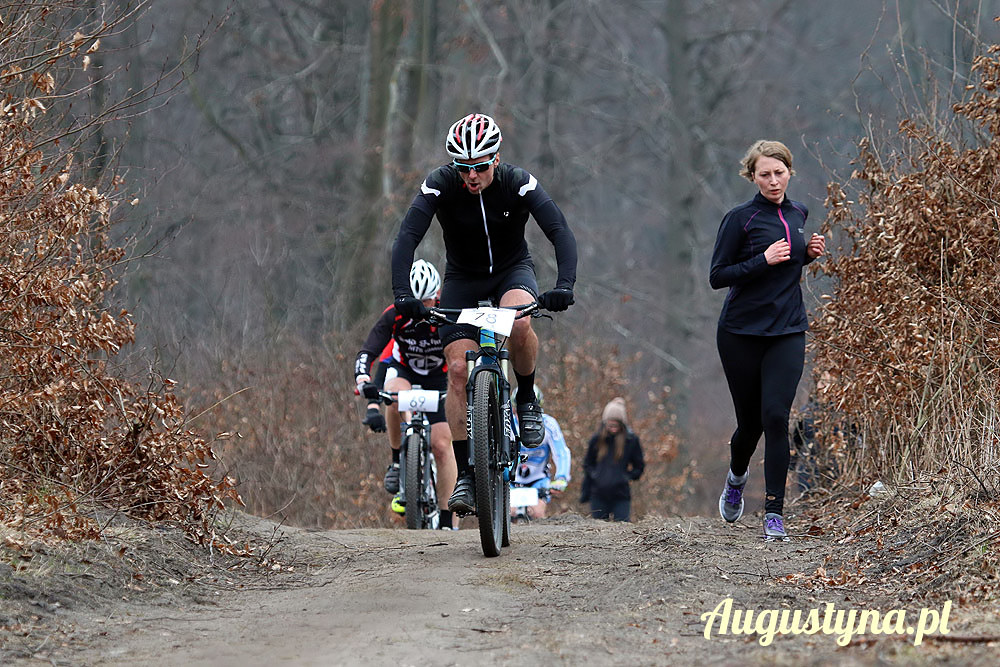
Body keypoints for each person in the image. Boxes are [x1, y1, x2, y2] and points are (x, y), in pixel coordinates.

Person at [390, 113, 578, 515]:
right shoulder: (440, 185)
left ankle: (526, 398)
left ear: (496, 158)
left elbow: (558, 229)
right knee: (457, 370)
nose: (471, 176)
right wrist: (403, 293)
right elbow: (407, 236)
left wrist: (564, 285)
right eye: (463, 168)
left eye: (479, 166)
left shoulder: (517, 182)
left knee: (520, 321)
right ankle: (466, 477)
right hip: (463, 280)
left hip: (512, 272)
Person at [709, 139, 826, 540]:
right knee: (750, 426)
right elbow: (718, 276)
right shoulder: (739, 219)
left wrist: (806, 253)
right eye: (765, 174)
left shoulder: (798, 213)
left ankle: (774, 513)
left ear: (790, 172)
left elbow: (788, 262)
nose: (773, 180)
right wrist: (761, 260)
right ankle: (736, 477)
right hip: (740, 333)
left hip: (788, 330)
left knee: (776, 417)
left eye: (779, 172)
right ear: (752, 176)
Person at [354, 260, 458, 529]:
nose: (422, 310)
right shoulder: (396, 314)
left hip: (439, 379)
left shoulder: (448, 309)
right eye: (416, 304)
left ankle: (447, 517)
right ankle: (398, 461)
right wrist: (362, 377)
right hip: (406, 372)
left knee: (443, 446)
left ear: (436, 296)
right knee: (393, 393)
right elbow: (369, 350)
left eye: (426, 303)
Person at [509, 385, 571, 520]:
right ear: (514, 409)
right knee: (510, 512)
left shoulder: (549, 425)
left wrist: (561, 477)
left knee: (536, 512)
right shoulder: (507, 425)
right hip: (512, 479)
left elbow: (561, 453)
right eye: (520, 410)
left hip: (538, 479)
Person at [580, 398, 644, 522]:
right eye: (611, 424)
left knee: (623, 529)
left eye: (616, 424)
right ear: (605, 423)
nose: (613, 428)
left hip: (621, 495)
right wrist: (596, 475)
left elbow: (639, 466)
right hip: (598, 494)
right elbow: (588, 463)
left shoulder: (631, 441)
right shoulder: (596, 440)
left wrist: (625, 477)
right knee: (598, 531)